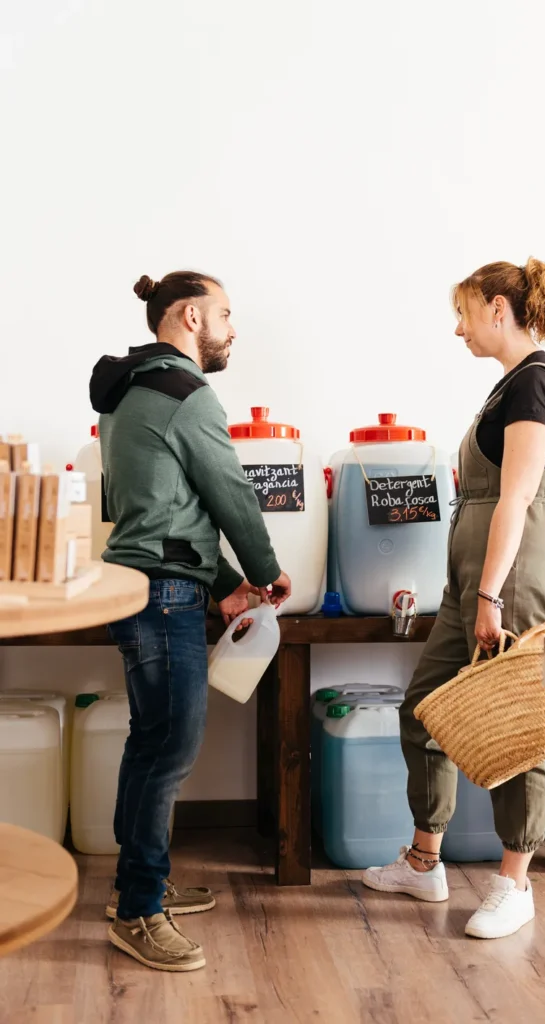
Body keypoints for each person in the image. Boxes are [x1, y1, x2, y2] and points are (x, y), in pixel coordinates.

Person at [362, 258, 545, 940]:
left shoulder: (535, 386)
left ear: (496, 309)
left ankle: (514, 883)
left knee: (518, 730)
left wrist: (489, 594)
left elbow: (514, 496)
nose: (457, 330)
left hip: (509, 582)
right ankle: (426, 860)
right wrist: (467, 586)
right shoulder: (507, 387)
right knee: (424, 707)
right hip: (473, 580)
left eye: (463, 313)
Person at [89, 270, 291, 971]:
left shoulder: (131, 390)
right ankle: (140, 909)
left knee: (151, 745)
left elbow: (167, 508)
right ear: (188, 317)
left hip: (147, 584)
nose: (234, 328)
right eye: (225, 314)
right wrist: (264, 571)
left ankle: (136, 889)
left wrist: (227, 585)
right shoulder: (185, 391)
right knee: (169, 749)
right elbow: (226, 491)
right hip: (164, 595)